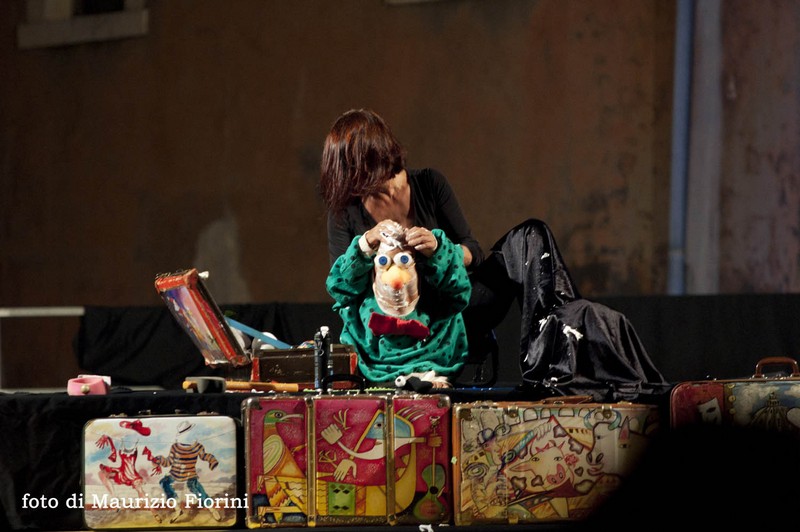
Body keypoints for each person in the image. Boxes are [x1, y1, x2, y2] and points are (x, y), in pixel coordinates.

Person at [320, 108, 670, 401]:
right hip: (408, 328)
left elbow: (473, 252)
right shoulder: (345, 214)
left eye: (350, 170)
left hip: (459, 305)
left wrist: (440, 249)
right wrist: (365, 245)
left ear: (373, 158)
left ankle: (559, 348)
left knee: (531, 234)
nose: (347, 182)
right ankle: (566, 347)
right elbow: (342, 290)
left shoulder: (429, 183)